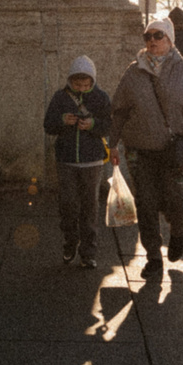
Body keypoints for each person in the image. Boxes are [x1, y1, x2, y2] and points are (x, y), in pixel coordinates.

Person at [109, 20, 183, 275]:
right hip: (140, 151)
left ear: (170, 40)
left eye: (158, 35)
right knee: (146, 204)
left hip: (174, 151)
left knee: (175, 199)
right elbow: (119, 111)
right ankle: (153, 257)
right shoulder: (134, 72)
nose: (152, 40)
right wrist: (112, 143)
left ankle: (177, 232)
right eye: (148, 36)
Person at [42, 54, 115, 268]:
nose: (81, 88)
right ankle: (70, 241)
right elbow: (48, 125)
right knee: (68, 204)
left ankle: (88, 252)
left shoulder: (101, 98)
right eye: (77, 84)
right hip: (66, 161)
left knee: (90, 206)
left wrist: (92, 124)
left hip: (92, 161)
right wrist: (62, 120)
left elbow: (109, 125)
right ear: (70, 81)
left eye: (85, 84)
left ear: (92, 81)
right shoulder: (60, 97)